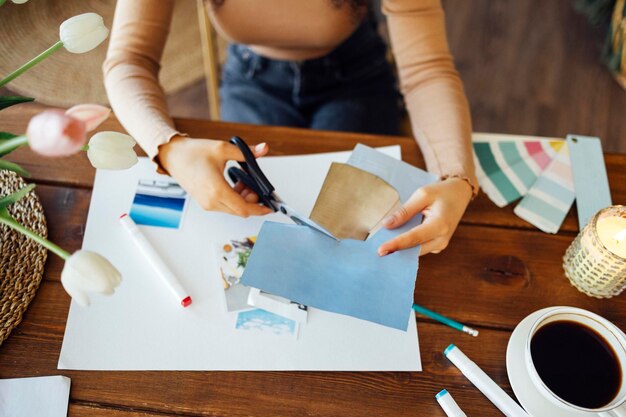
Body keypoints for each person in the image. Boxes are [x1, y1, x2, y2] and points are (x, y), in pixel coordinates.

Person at [103, 0, 478, 256]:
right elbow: (128, 60)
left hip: (355, 77)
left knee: (356, 230)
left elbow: (427, 70)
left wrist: (457, 178)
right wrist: (168, 148)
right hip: (252, 77)